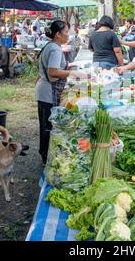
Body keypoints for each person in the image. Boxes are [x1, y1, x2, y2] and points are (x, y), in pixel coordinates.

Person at [35, 21, 85, 164]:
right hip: (47, 92)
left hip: (45, 90)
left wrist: (69, 66)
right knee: (47, 126)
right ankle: (45, 157)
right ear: (58, 34)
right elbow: (53, 71)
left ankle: (45, 154)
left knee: (46, 124)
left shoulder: (51, 46)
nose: (68, 35)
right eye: (66, 32)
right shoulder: (55, 49)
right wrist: (72, 72)